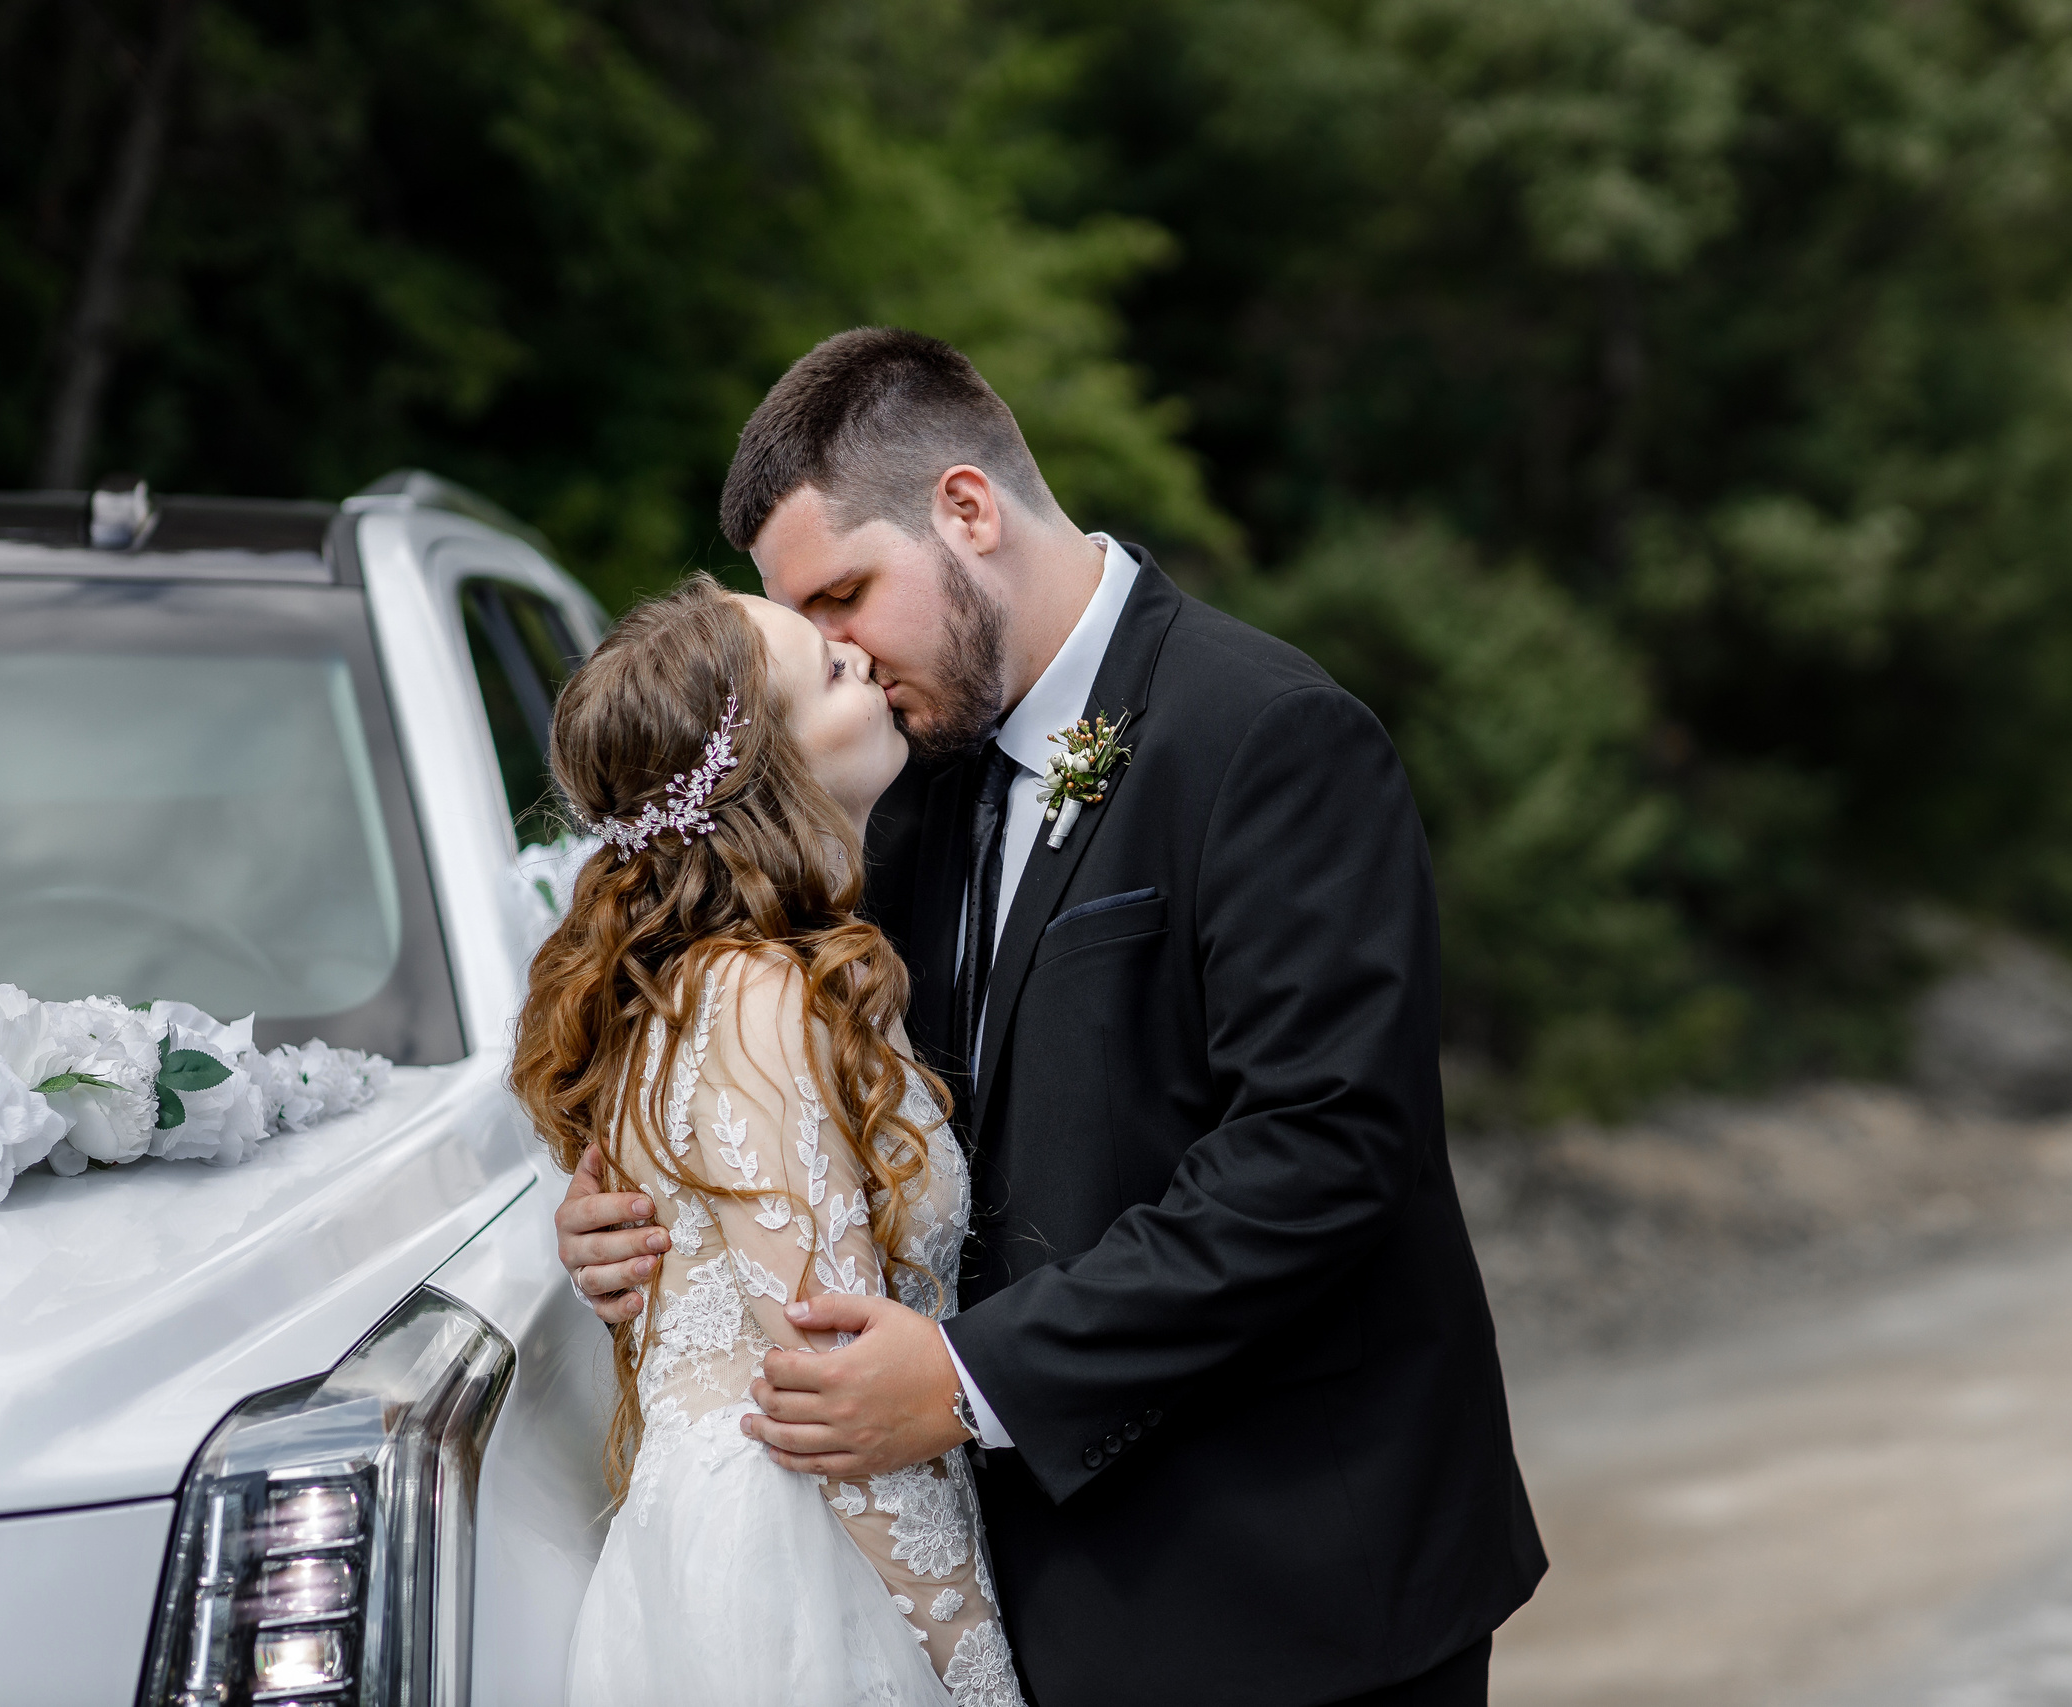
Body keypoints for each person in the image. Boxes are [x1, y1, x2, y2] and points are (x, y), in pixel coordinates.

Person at [556, 327, 1546, 1706]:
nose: (834, 653)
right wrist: (650, 1223)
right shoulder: (900, 781)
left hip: (1290, 1594)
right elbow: (810, 1102)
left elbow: (1323, 1149)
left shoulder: (1268, 735)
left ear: (967, 509)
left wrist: (970, 1376)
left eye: (846, 593)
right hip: (1029, 1595)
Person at [511, 576, 1026, 1704]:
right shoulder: (754, 994)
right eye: (830, 671)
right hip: (799, 1571)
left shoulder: (714, 982)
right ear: (769, 771)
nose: (865, 661)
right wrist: (982, 1673)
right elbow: (830, 1384)